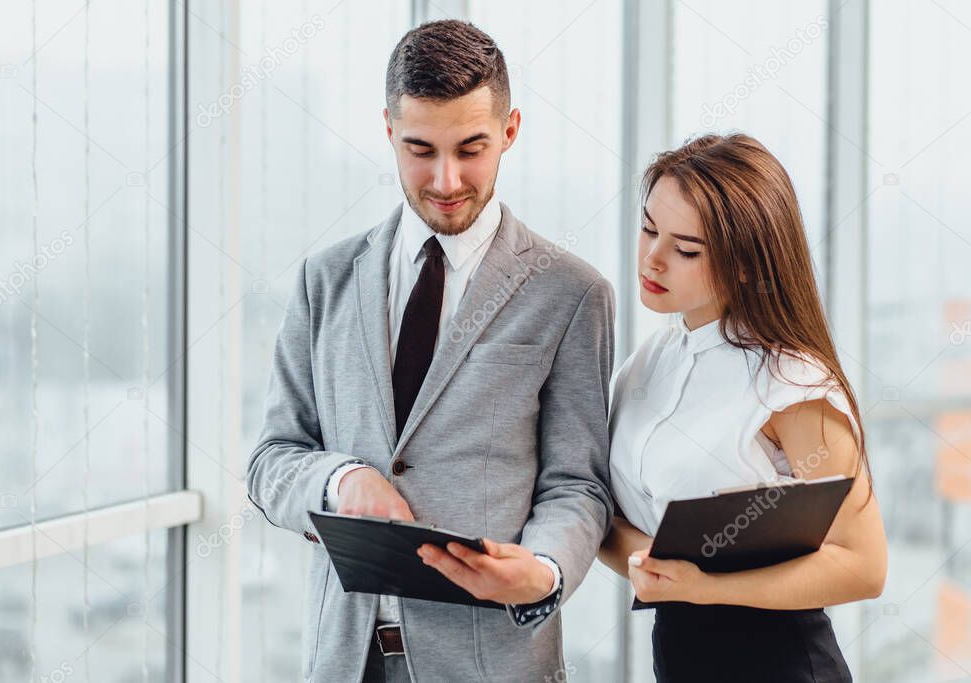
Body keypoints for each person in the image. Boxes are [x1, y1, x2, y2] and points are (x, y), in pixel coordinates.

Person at [247, 20, 615, 682]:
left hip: (493, 662)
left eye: (470, 148)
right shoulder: (325, 279)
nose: (445, 179)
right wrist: (340, 480)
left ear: (510, 131)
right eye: (420, 149)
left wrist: (545, 570)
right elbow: (271, 459)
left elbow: (578, 483)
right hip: (344, 659)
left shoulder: (571, 293)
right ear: (388, 131)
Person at [599, 134, 888, 682]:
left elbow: (864, 567)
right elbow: (610, 519)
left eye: (686, 249)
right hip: (680, 657)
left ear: (747, 266)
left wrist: (706, 588)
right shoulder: (649, 361)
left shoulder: (792, 386)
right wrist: (650, 564)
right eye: (648, 228)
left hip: (779, 664)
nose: (653, 259)